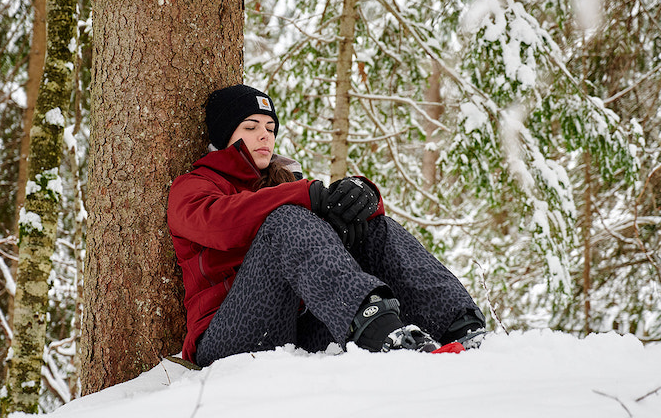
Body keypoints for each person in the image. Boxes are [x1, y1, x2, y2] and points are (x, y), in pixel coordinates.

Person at [167, 84, 486, 367]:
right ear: (225, 134)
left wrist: (364, 197)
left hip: (296, 329)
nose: (265, 135)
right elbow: (220, 223)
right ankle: (379, 330)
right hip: (228, 339)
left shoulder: (281, 185)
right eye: (250, 127)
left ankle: (461, 326)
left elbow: (325, 222)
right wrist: (308, 196)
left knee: (375, 230)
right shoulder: (194, 186)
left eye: (270, 127)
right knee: (285, 219)